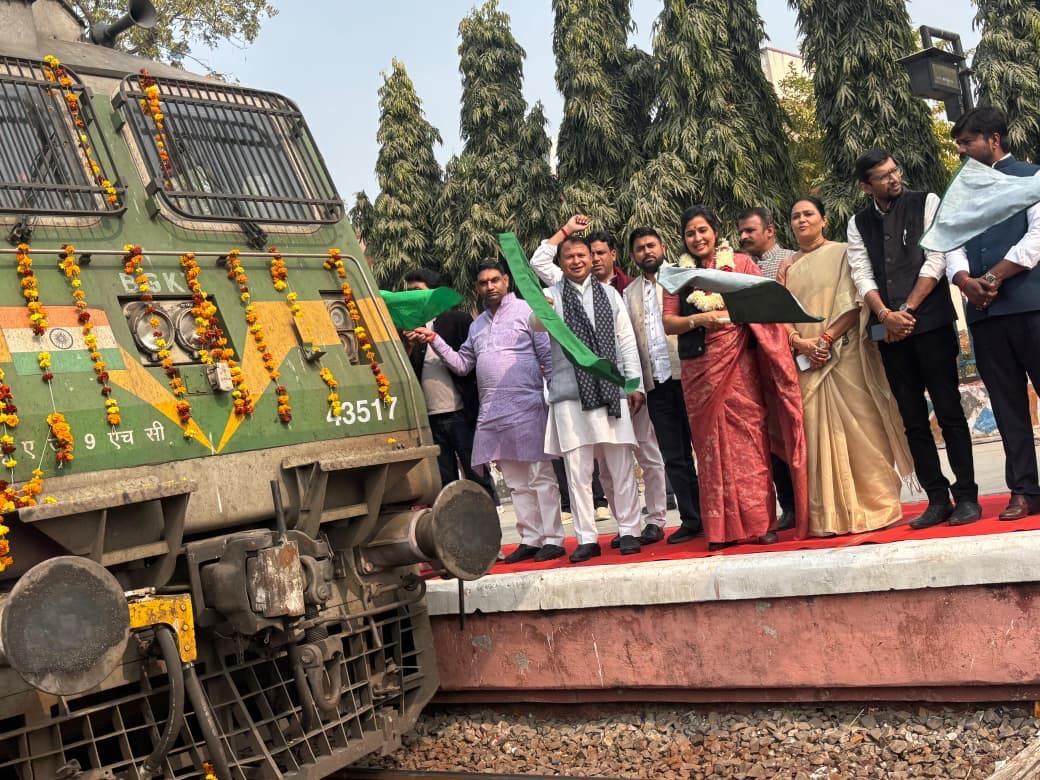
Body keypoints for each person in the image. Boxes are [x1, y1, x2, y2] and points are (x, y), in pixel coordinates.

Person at [847, 148, 980, 528]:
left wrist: (905, 310)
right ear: (866, 186)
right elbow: (861, 272)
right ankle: (937, 499)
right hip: (890, 333)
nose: (894, 178)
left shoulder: (926, 202)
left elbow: (936, 259)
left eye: (895, 170)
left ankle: (966, 496)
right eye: (884, 175)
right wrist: (885, 315)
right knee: (912, 419)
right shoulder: (858, 223)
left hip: (931, 324)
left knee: (949, 412)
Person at [661, 205, 808, 549]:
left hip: (740, 367)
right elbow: (669, 322)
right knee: (710, 452)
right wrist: (700, 320)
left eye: (702, 230)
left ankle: (761, 524)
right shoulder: (677, 275)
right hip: (700, 373)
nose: (697, 238)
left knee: (751, 446)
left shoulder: (740, 264)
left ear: (715, 232)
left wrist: (730, 315)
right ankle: (721, 532)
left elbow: (763, 309)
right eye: (690, 233)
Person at [409, 260, 565, 563]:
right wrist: (435, 340)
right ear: (477, 288)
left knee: (540, 477)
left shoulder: (527, 311)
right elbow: (462, 364)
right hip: (495, 413)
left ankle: (553, 538)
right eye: (483, 282)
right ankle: (531, 538)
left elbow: (546, 356)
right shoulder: (478, 324)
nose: (490, 286)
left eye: (495, 280)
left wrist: (555, 397)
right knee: (516, 483)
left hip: (528, 406)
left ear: (506, 281)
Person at [778, 197, 913, 535]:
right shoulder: (787, 267)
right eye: (795, 216)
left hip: (845, 356)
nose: (802, 220)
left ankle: (876, 507)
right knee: (815, 436)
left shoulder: (842, 253)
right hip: (806, 361)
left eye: (808, 214)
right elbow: (779, 314)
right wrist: (800, 343)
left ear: (823, 220)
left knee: (862, 429)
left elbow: (854, 303)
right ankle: (828, 517)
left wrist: (825, 340)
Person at [528, 216, 646, 562]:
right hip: (570, 394)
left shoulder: (610, 294)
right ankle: (586, 537)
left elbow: (626, 340)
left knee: (620, 465)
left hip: (610, 388)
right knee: (578, 471)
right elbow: (535, 322)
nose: (577, 260)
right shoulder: (552, 293)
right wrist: (565, 231)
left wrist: (634, 384)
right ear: (561, 263)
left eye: (582, 255)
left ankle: (629, 529)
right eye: (569, 256)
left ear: (592, 259)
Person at [946, 107, 1040, 521]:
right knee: (1006, 406)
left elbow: (1037, 238)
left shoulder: (1032, 177)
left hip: (1031, 306)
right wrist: (965, 282)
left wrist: (992, 277)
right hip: (985, 315)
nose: (962, 151)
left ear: (994, 139)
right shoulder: (961, 190)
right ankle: (1025, 491)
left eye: (968, 142)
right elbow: (950, 243)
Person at [624, 227, 703, 544]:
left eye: (651, 245)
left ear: (663, 247)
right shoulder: (629, 293)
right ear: (633, 256)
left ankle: (715, 516)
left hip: (688, 375)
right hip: (655, 383)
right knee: (674, 456)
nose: (646, 252)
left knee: (703, 450)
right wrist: (635, 384)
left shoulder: (682, 278)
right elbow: (628, 343)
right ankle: (691, 520)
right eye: (640, 248)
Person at [403, 269, 497, 502]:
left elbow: (470, 363)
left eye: (418, 290)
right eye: (409, 291)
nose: (412, 296)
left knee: (475, 471)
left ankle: (488, 511)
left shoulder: (458, 320)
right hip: (430, 417)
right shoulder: (409, 328)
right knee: (444, 478)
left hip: (460, 412)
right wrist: (409, 345)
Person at [736, 207, 798, 529]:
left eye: (750, 230)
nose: (743, 236)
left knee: (795, 432)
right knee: (771, 439)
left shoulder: (791, 261)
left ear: (770, 231)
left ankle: (809, 502)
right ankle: (788, 506)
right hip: (753, 365)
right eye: (741, 232)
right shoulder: (736, 268)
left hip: (790, 360)